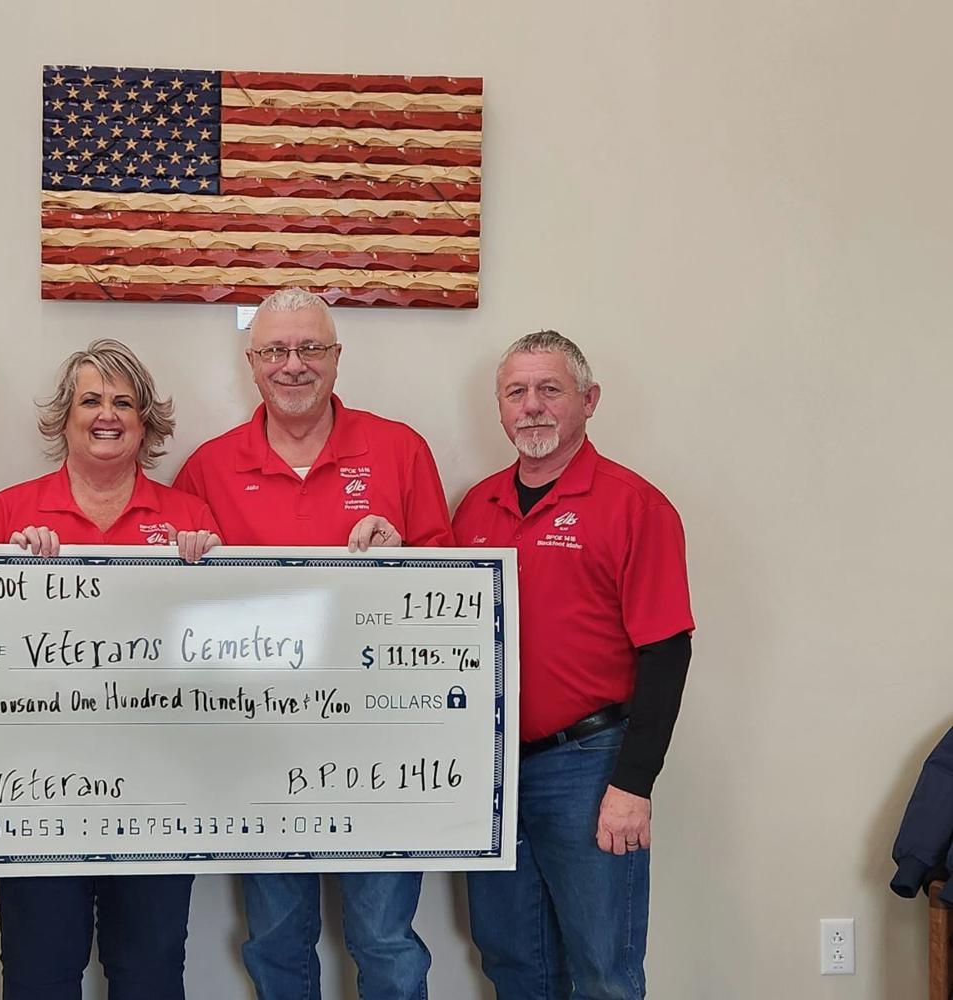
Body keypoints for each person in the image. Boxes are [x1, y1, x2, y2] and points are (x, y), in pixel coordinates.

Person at [173, 288, 452, 1000]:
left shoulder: (399, 449)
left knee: (386, 942)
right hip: (258, 747)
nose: (292, 365)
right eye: (275, 350)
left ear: (335, 358)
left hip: (379, 743)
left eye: (310, 349)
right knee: (274, 939)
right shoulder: (208, 467)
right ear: (251, 362)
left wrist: (405, 561)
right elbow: (176, 612)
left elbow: (455, 605)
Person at [0, 338, 219, 1000]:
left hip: (159, 789)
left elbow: (221, 661)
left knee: (149, 972)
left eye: (122, 401)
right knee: (39, 973)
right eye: (89, 400)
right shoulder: (10, 513)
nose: (105, 414)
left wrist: (211, 576)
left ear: (144, 421)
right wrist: (10, 577)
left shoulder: (187, 518)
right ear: (64, 417)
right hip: (35, 790)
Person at [453, 331, 694, 1000]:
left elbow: (666, 650)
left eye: (549, 390)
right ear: (499, 408)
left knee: (602, 971)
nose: (531, 406)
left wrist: (632, 786)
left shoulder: (633, 506)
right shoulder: (476, 507)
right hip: (492, 773)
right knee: (512, 960)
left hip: (589, 768)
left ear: (588, 401)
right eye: (515, 392)